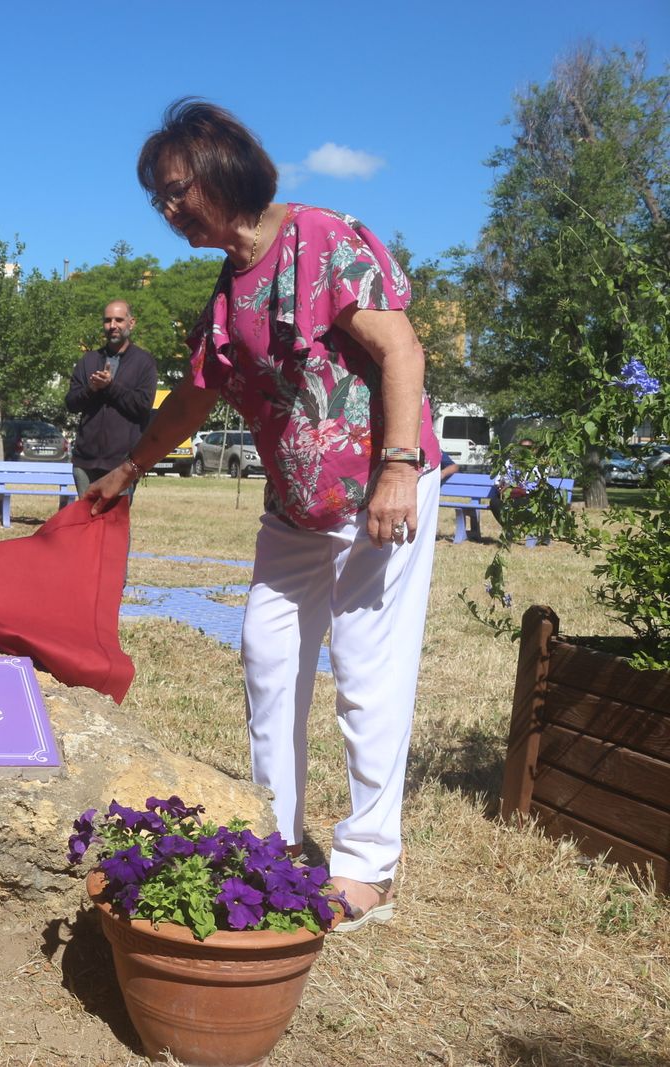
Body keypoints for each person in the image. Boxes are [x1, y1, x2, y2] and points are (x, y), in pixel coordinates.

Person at [86, 99, 442, 932]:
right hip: (294, 504)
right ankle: (273, 839)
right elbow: (194, 398)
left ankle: (367, 864)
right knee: (267, 657)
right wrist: (130, 469)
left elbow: (401, 348)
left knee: (367, 668)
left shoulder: (320, 240)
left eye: (176, 190)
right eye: (158, 198)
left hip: (375, 488)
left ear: (222, 173)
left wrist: (399, 464)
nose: (167, 209)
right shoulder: (226, 290)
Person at [65, 300, 158, 496]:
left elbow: (142, 406)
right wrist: (91, 389)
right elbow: (71, 403)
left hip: (122, 465)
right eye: (107, 321)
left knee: (116, 517)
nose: (112, 325)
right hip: (85, 463)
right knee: (87, 516)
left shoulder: (144, 362)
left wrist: (110, 387)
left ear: (131, 323)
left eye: (118, 320)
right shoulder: (89, 360)